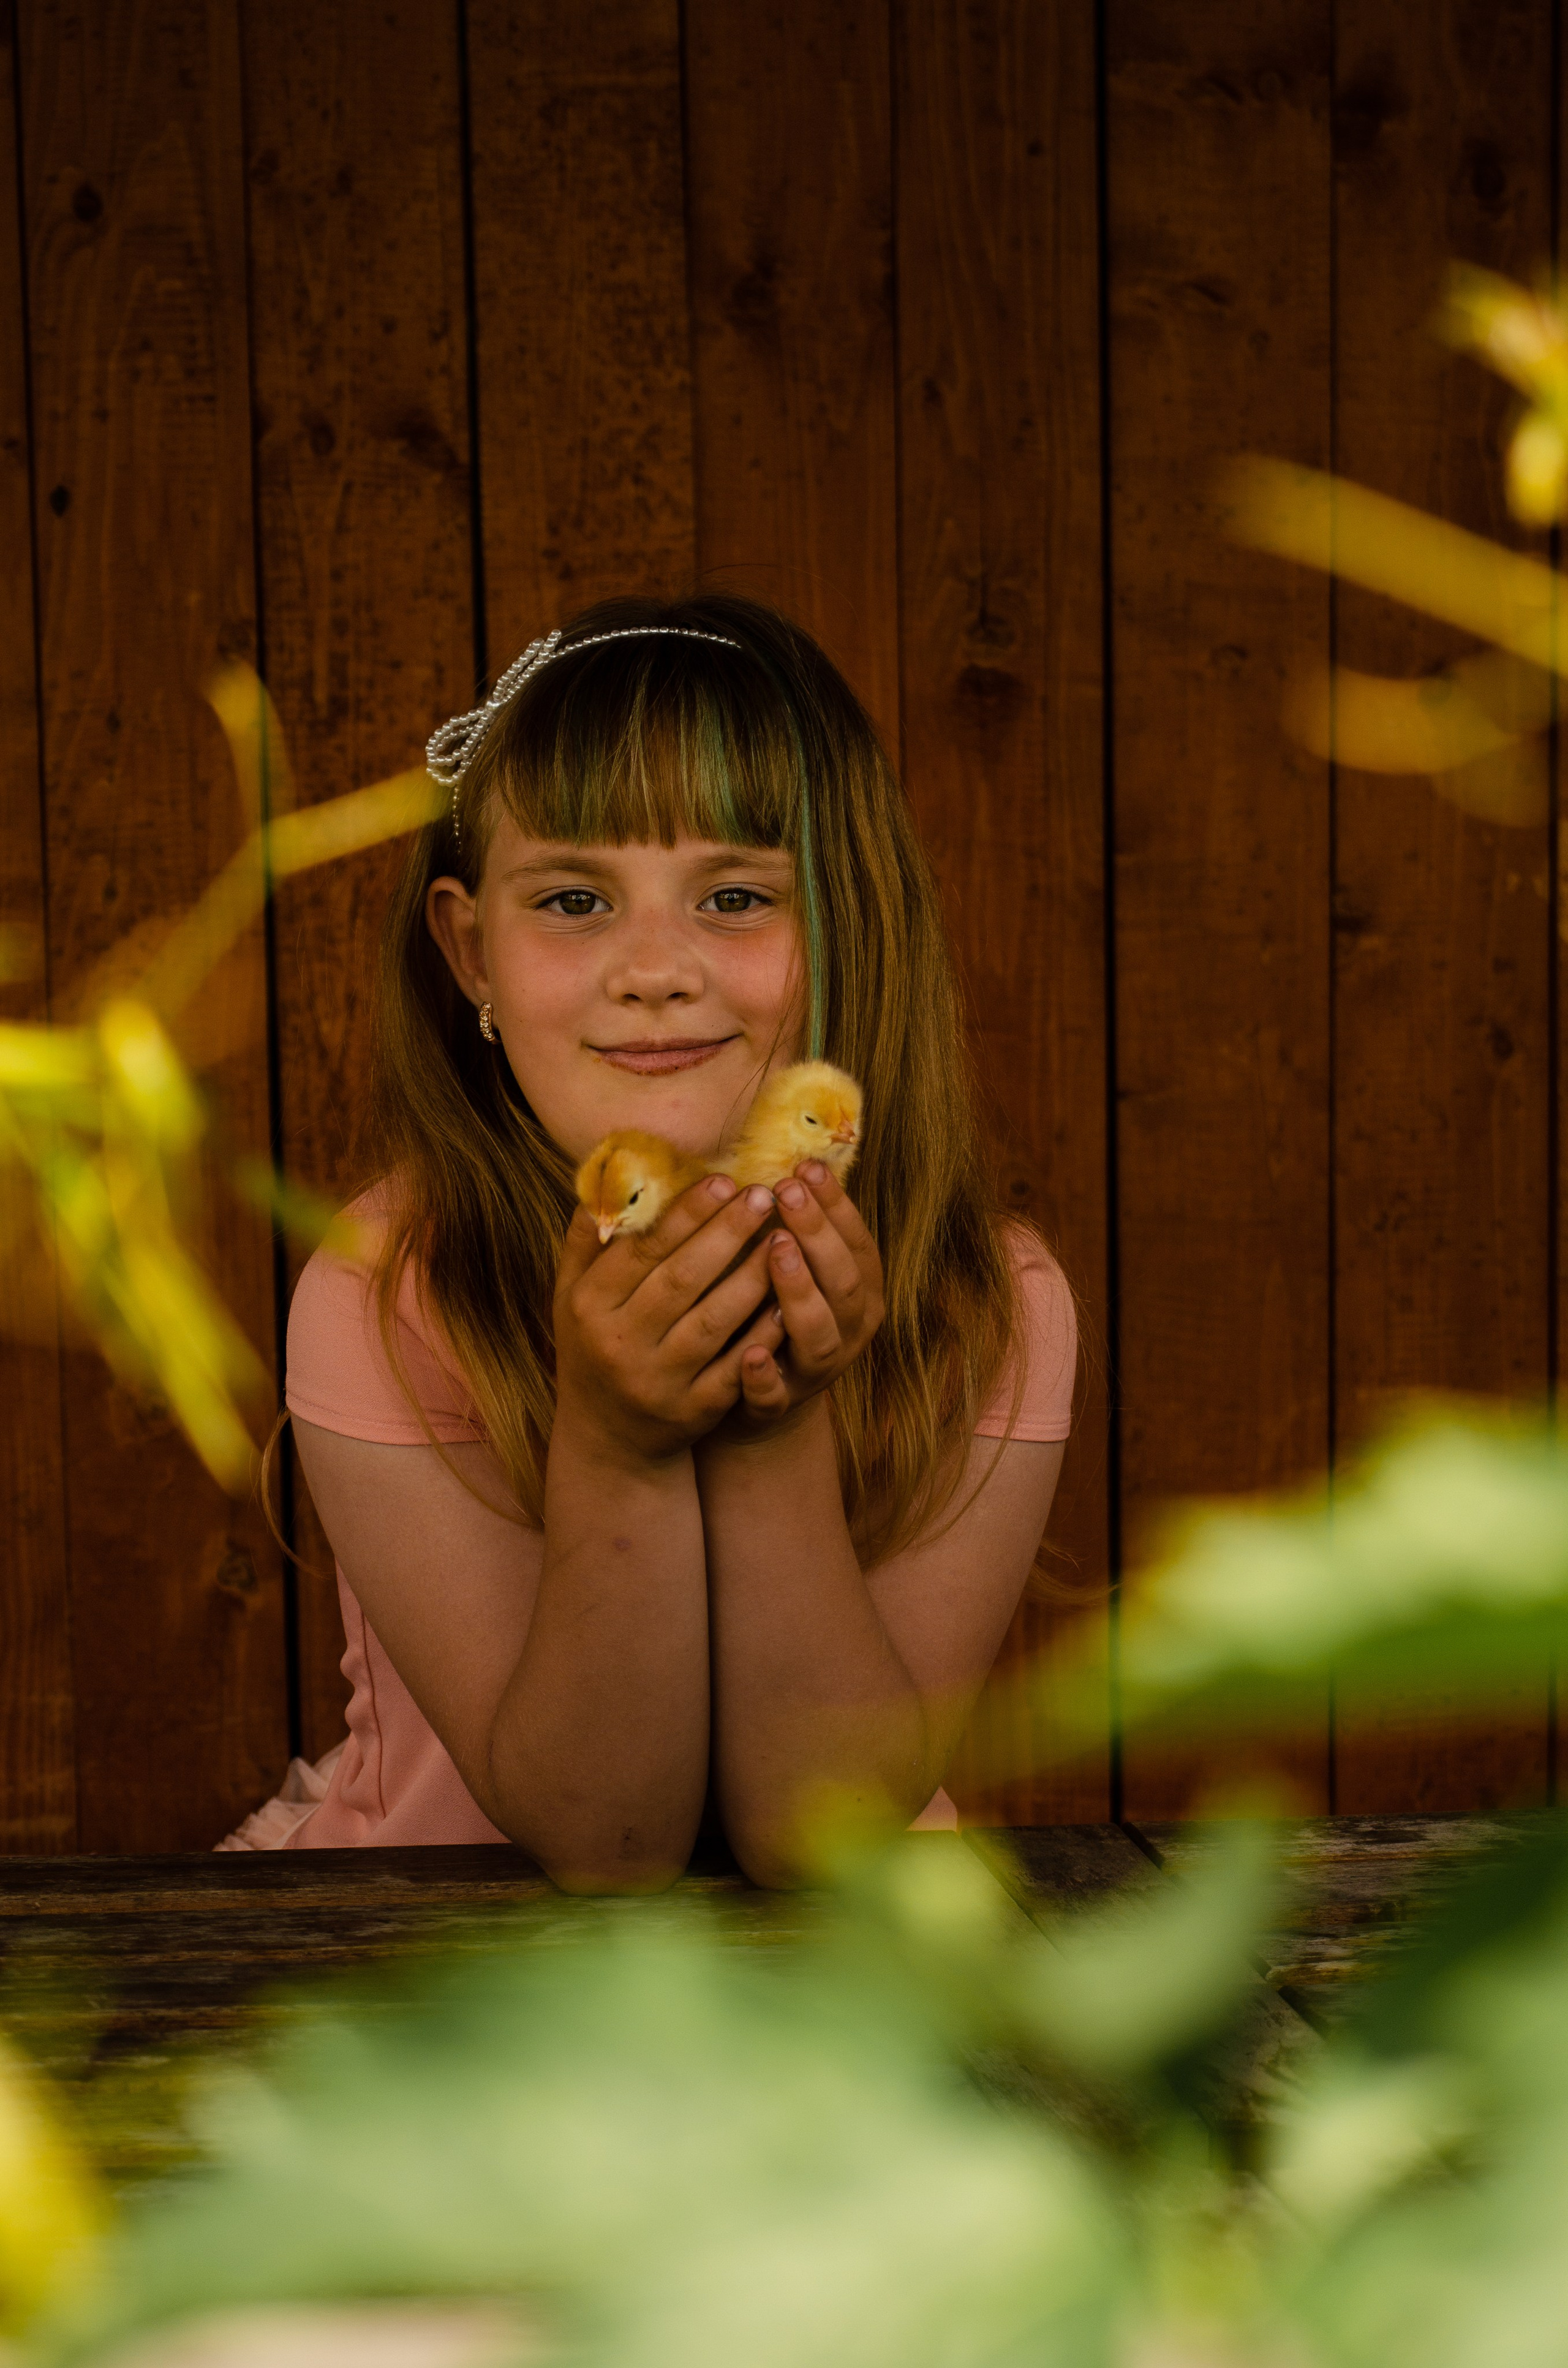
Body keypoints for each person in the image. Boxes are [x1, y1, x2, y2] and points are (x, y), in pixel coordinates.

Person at [221, 594, 1076, 1888]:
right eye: (573, 898)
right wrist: (617, 1440)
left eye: (732, 895)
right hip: (436, 1970)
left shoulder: (990, 1299)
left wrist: (775, 1422)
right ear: (470, 959)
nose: (654, 966)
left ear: (851, 924)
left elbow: (818, 1833)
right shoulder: (387, 1287)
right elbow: (602, 1841)